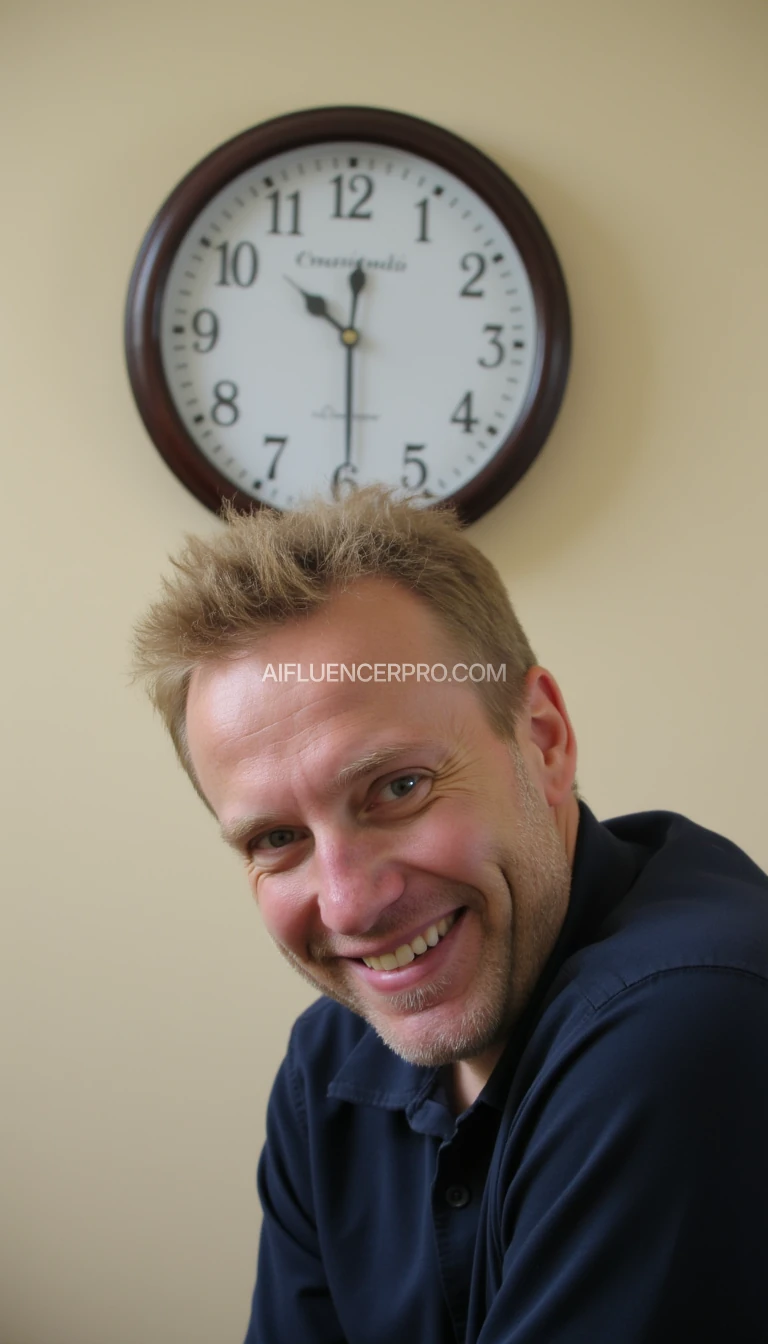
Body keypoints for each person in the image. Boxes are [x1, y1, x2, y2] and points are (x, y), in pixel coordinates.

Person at [133, 489, 768, 1344]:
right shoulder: (329, 1068)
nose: (350, 903)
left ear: (541, 740)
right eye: (278, 838)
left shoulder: (695, 1016)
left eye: (398, 788)